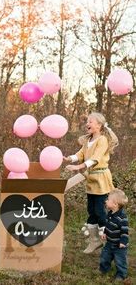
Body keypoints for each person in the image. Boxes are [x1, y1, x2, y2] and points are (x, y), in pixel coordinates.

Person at [64, 112, 118, 254]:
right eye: (87, 122)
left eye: (90, 122)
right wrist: (69, 159)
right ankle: (94, 241)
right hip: (90, 180)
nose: (87, 124)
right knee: (91, 211)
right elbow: (80, 154)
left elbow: (95, 158)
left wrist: (79, 167)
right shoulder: (88, 140)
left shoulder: (102, 140)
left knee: (100, 211)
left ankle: (111, 240)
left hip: (101, 180)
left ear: (99, 125)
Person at [99, 189, 129, 282]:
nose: (106, 201)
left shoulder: (122, 218)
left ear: (115, 204)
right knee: (104, 257)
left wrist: (123, 242)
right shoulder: (110, 213)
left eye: (108, 200)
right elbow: (108, 225)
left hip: (119, 246)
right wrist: (105, 233)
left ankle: (121, 274)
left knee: (120, 261)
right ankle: (104, 269)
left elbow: (125, 232)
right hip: (109, 242)